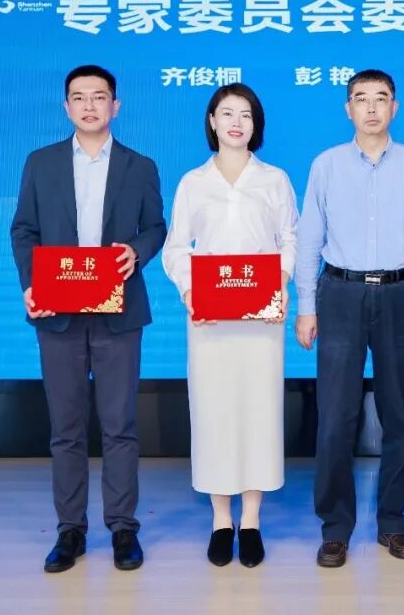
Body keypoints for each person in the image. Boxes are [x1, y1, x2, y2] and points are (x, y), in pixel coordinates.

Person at [10, 64, 166, 573]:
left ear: (115, 106)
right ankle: (70, 531)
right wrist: (32, 285)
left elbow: (156, 227)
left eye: (99, 97)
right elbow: (24, 230)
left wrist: (137, 252)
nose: (89, 106)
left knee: (120, 425)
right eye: (79, 97)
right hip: (58, 312)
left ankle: (122, 528)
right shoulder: (41, 163)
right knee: (67, 427)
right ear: (66, 107)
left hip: (118, 312)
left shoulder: (140, 166)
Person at [294, 69, 404, 568]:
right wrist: (306, 305)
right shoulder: (326, 165)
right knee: (335, 417)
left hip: (401, 293)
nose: (372, 108)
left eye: (382, 99)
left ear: (395, 108)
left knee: (398, 415)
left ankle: (393, 523)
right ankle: (335, 528)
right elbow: (309, 238)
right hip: (339, 293)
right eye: (362, 99)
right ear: (348, 109)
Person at [162, 83, 297, 568]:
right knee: (214, 412)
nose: (237, 122)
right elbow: (176, 247)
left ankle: (253, 520)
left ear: (256, 124)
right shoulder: (193, 182)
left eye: (246, 114)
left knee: (258, 410)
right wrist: (190, 290)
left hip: (261, 316)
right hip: (210, 316)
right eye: (227, 113)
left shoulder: (275, 179)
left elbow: (291, 237)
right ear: (212, 121)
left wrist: (280, 281)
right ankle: (222, 520)